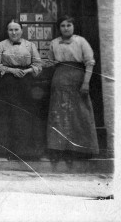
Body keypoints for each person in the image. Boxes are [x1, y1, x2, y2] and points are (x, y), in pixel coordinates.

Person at [46, 15, 99, 162]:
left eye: (69, 25)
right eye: (62, 26)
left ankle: (76, 150)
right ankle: (57, 150)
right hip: (59, 78)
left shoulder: (81, 41)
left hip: (77, 78)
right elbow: (50, 62)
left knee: (78, 114)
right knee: (58, 114)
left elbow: (89, 63)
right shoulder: (54, 43)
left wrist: (86, 83)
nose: (66, 28)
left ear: (73, 27)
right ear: (59, 28)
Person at [0, 19, 43, 159]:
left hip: (26, 83)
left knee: (24, 116)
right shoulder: (0, 46)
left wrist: (26, 71)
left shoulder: (30, 45)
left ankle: (25, 152)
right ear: (7, 31)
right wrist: (11, 70)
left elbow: (38, 64)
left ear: (21, 30)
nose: (13, 32)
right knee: (8, 115)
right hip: (7, 83)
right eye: (10, 30)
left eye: (16, 29)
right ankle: (8, 151)